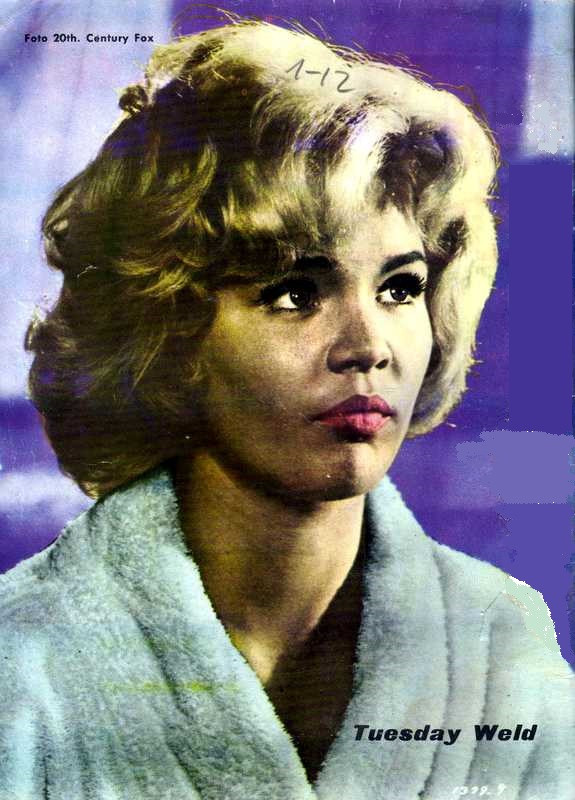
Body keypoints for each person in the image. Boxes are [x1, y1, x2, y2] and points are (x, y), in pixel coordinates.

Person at [1, 19, 573, 800]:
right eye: (294, 293)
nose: (367, 346)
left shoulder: (500, 640)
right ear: (170, 331)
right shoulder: (24, 661)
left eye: (400, 288)